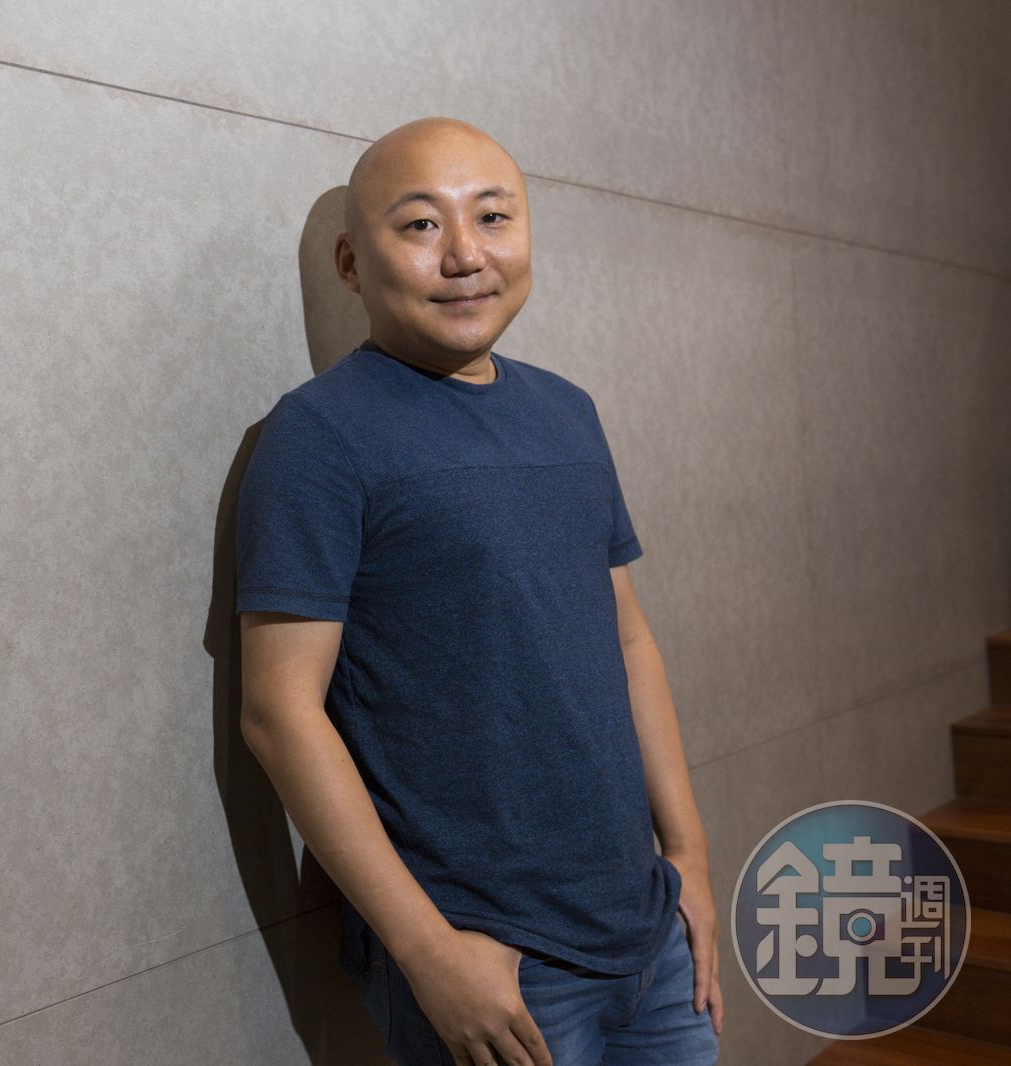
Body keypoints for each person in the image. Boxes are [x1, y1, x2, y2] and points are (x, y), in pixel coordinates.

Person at [234, 117, 724, 1066]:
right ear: (350, 262)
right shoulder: (320, 435)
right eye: (421, 225)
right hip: (492, 960)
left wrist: (690, 862)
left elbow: (628, 642)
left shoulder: (568, 411)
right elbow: (279, 714)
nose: (465, 254)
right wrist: (428, 954)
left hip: (647, 931)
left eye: (493, 217)